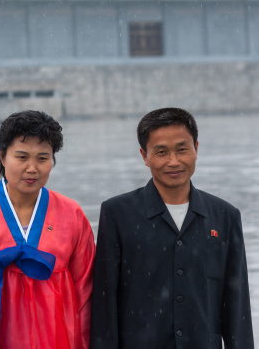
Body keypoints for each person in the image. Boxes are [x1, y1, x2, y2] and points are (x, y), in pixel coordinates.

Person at [90, 107, 254, 349]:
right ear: (144, 156)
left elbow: (236, 306)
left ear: (196, 149)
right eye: (161, 152)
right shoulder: (118, 213)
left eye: (182, 149)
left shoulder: (224, 216)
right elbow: (105, 305)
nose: (173, 161)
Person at [0, 110, 95, 349]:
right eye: (21, 157)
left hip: (55, 338)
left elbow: (86, 295)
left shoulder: (72, 215)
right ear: (2, 156)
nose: (32, 168)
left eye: (43, 158)